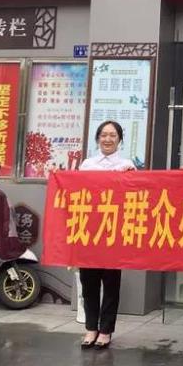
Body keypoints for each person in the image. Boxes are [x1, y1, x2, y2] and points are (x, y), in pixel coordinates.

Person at [77, 120, 136, 350]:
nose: (108, 139)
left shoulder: (127, 165)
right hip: (89, 231)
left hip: (114, 233)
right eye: (103, 135)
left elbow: (135, 195)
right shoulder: (87, 165)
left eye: (112, 135)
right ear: (97, 138)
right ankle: (91, 327)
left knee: (111, 283)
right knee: (88, 282)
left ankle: (106, 330)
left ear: (120, 139)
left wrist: (129, 176)